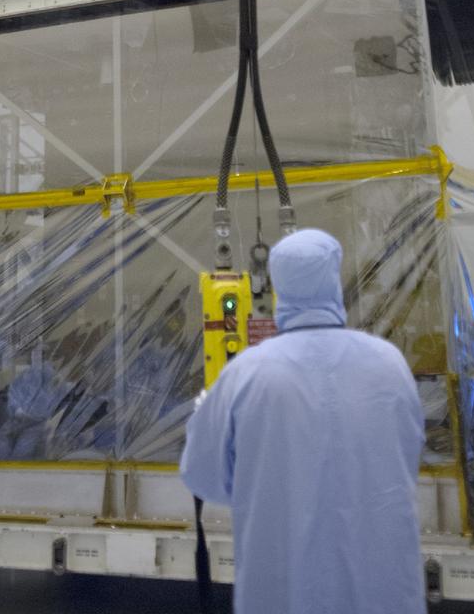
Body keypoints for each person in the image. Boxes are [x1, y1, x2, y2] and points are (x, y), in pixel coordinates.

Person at [180, 229, 425, 614]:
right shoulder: (388, 364)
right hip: (382, 593)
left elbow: (203, 476)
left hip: (284, 593)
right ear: (334, 278)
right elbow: (406, 456)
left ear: (277, 284)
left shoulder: (246, 374)